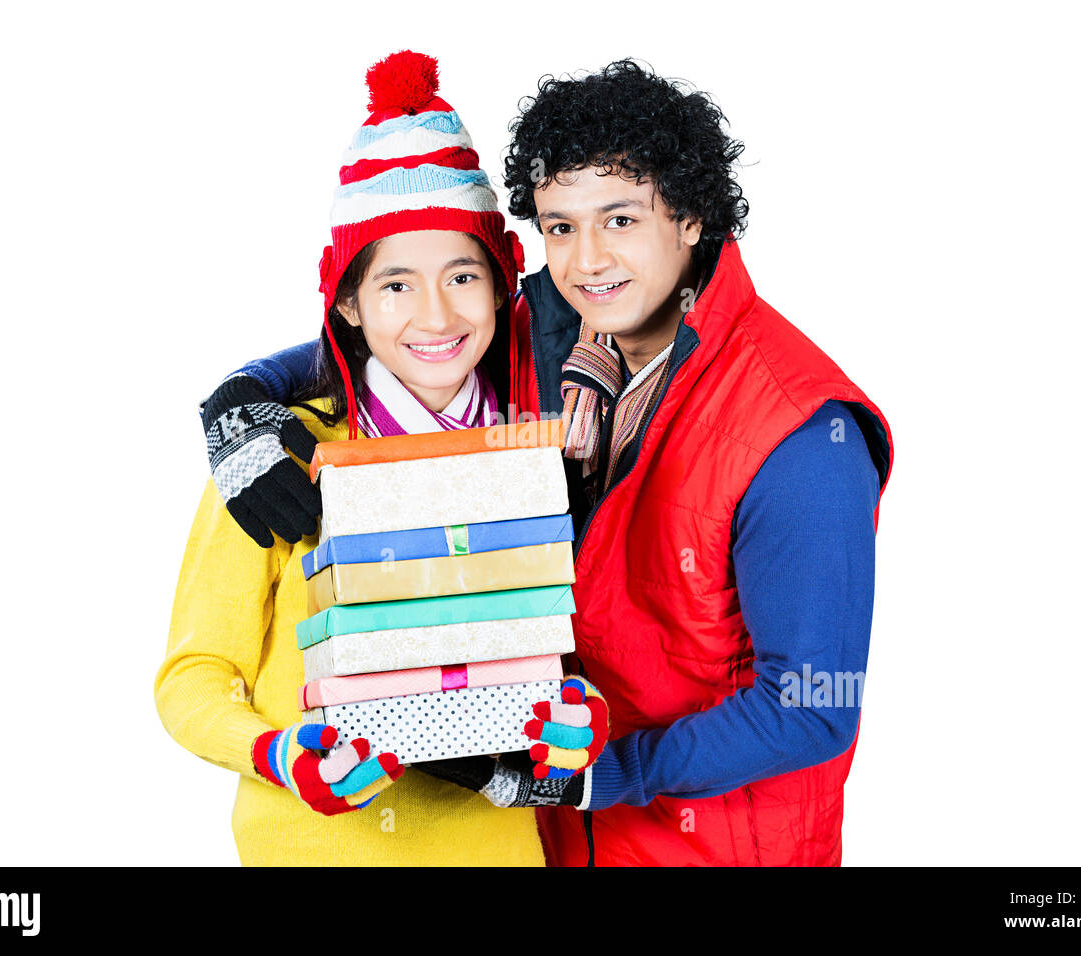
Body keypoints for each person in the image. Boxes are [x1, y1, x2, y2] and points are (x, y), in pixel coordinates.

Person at [200, 59, 894, 866]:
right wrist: (241, 403)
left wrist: (601, 776)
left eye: (621, 220)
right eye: (561, 226)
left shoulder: (799, 435)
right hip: (543, 847)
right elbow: (396, 334)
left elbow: (810, 709)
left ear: (693, 217)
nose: (588, 260)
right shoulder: (549, 331)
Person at [157, 51, 603, 867]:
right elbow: (192, 676)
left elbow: (551, 659)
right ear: (351, 304)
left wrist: (575, 722)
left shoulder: (536, 447)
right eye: (396, 285)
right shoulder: (273, 454)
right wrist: (279, 754)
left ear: (503, 288)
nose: (436, 313)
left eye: (463, 275)